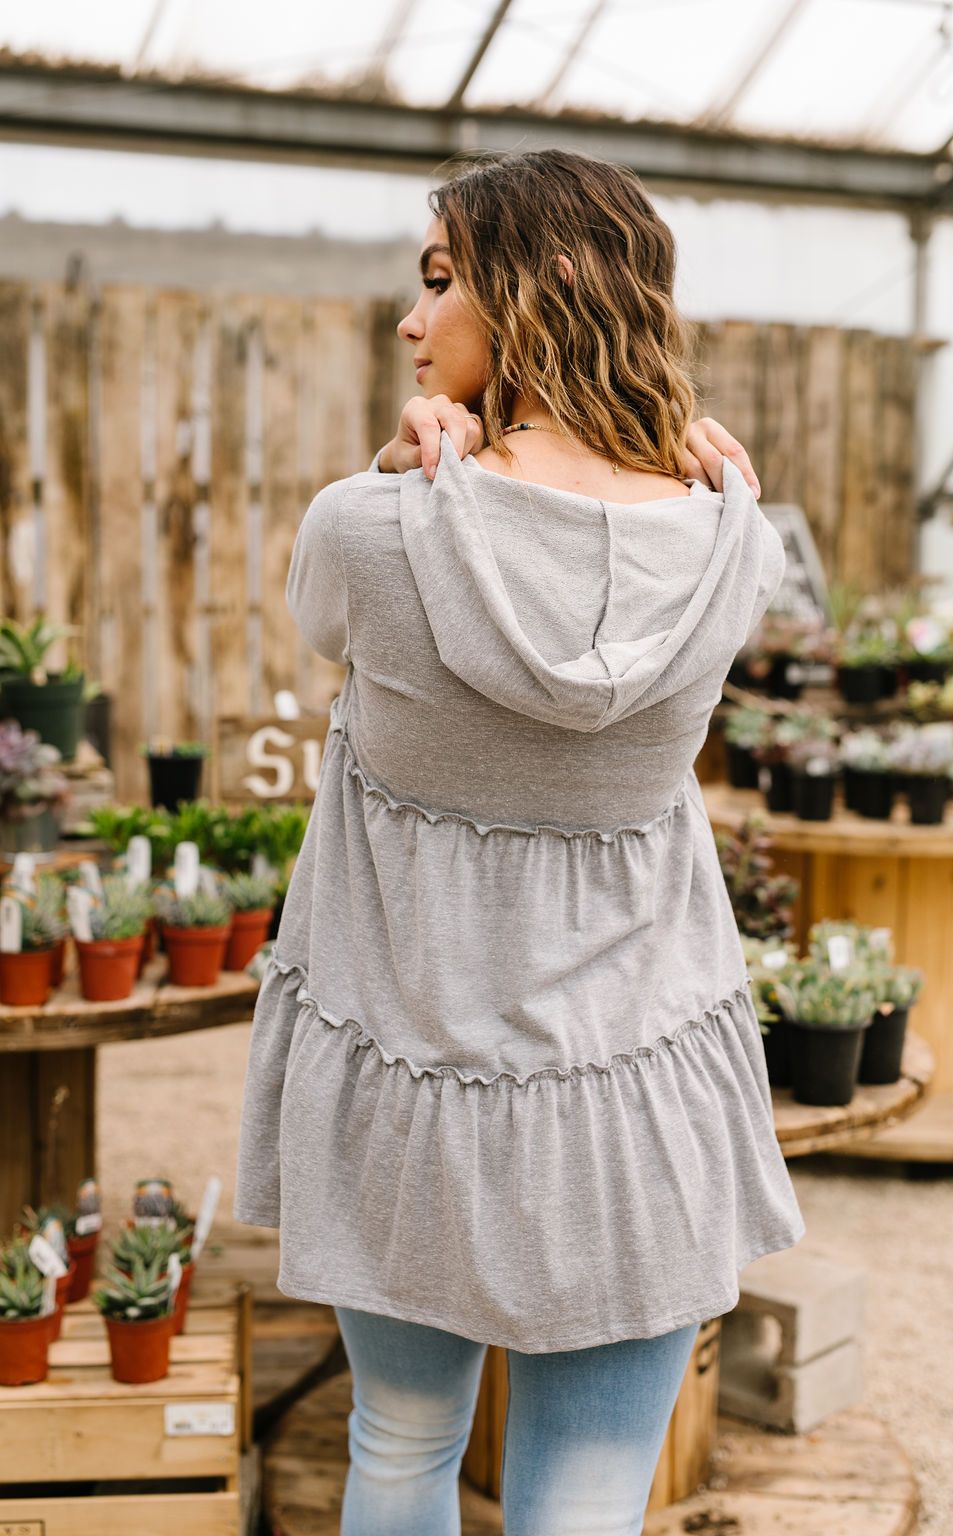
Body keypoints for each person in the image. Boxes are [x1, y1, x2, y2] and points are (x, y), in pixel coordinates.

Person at [234, 147, 806, 1536]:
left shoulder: (368, 533)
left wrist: (400, 472)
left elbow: (323, 618)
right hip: (640, 1097)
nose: (409, 320)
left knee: (400, 1448)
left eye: (437, 281)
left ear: (539, 291)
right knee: (594, 1494)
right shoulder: (734, 542)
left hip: (413, 1084)